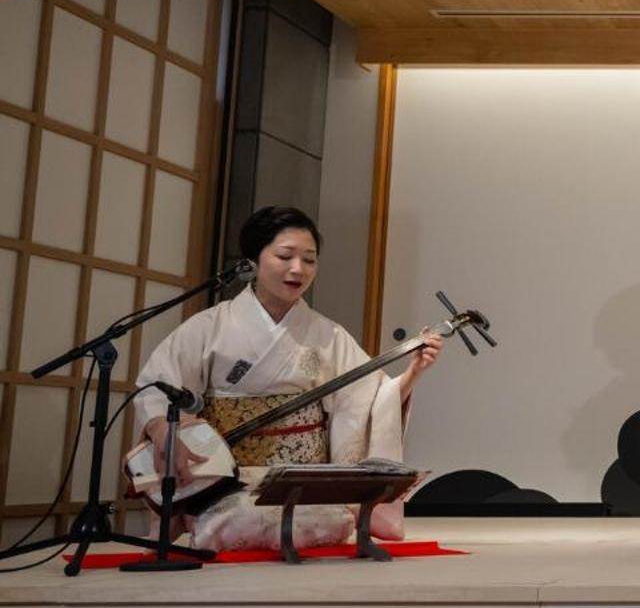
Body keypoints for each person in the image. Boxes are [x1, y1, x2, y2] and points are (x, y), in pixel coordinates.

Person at [130, 205, 441, 551]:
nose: (298, 269)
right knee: (240, 521)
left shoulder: (328, 334)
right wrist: (161, 430)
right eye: (285, 256)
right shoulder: (209, 327)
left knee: (329, 522)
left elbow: (369, 397)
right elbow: (157, 386)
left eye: (309, 259)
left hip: (301, 480)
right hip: (229, 478)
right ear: (253, 261)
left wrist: (412, 373)